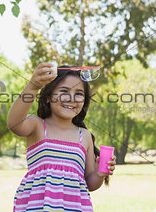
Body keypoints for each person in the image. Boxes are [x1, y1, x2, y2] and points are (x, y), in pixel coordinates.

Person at [6, 62, 116, 211]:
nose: (71, 98)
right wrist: (33, 86)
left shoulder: (84, 136)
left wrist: (99, 173)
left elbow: (90, 184)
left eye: (78, 93)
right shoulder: (38, 126)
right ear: (47, 98)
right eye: (64, 91)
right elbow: (14, 123)